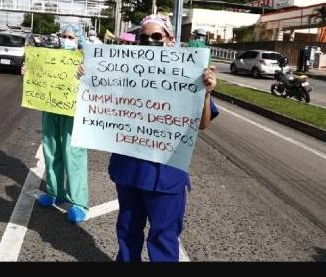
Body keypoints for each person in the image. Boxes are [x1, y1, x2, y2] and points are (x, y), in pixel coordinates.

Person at [77, 14, 218, 261]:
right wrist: (87, 76)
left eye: (156, 36)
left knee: (164, 238)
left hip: (167, 175)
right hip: (129, 171)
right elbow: (101, 100)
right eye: (144, 37)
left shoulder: (187, 73)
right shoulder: (125, 71)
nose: (150, 41)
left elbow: (203, 124)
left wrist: (205, 94)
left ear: (170, 39)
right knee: (127, 232)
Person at [21, 22, 89, 223]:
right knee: (51, 150)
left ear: (79, 40)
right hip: (51, 109)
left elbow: (97, 84)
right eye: (64, 36)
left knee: (73, 154)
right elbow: (38, 77)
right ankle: (55, 191)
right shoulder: (50, 57)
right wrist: (28, 72)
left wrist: (87, 74)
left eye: (71, 37)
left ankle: (78, 202)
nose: (66, 41)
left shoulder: (85, 60)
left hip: (74, 112)